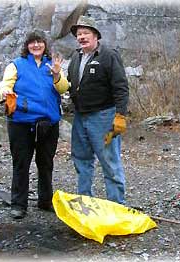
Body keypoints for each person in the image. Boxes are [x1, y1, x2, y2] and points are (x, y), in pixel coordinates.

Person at [0, 30, 69, 219]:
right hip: (21, 122)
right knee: (21, 162)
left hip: (48, 123)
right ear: (27, 46)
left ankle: (45, 201)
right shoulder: (16, 65)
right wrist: (4, 93)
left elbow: (63, 88)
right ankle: (19, 204)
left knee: (46, 163)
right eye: (32, 43)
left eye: (39, 42)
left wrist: (56, 75)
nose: (36, 45)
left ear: (45, 45)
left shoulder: (53, 66)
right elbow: (5, 85)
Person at [67, 15, 129, 204]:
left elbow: (121, 87)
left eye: (86, 33)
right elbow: (70, 85)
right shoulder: (76, 56)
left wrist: (120, 115)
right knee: (81, 160)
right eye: (79, 34)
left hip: (103, 117)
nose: (82, 37)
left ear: (96, 36)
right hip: (79, 117)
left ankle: (117, 206)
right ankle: (85, 202)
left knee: (110, 162)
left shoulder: (109, 55)